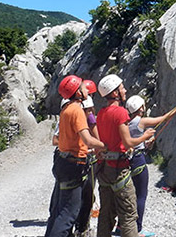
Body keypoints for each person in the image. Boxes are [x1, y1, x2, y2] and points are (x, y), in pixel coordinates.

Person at [95, 74, 156, 237]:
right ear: (115, 93)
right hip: (119, 169)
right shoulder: (121, 112)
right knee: (128, 215)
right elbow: (129, 142)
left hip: (104, 169)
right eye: (122, 88)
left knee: (106, 214)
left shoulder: (101, 113)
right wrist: (145, 136)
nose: (125, 90)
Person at [45, 75, 105, 237]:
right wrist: (103, 146)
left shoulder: (66, 109)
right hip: (73, 166)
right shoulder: (77, 111)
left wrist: (86, 149)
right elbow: (87, 138)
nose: (86, 89)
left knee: (59, 210)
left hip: (63, 162)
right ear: (78, 92)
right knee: (68, 215)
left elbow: (70, 140)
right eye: (83, 87)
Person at [125, 96, 176, 237]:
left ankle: (122, 225)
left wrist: (145, 143)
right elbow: (164, 118)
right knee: (141, 195)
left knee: (132, 195)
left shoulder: (127, 123)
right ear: (140, 107)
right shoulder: (141, 121)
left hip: (130, 160)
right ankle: (138, 228)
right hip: (139, 160)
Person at [75, 81, 100, 237]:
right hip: (88, 156)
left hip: (74, 157)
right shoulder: (88, 116)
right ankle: (83, 228)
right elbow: (95, 135)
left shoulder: (70, 111)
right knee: (88, 193)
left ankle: (80, 225)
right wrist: (102, 146)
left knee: (78, 193)